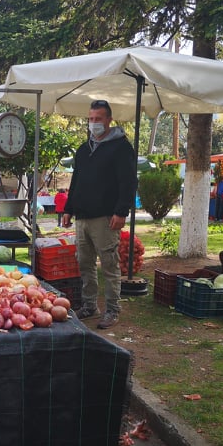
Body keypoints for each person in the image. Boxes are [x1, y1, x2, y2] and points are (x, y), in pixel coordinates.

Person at [62, 99, 137, 330]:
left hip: (106, 218)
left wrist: (121, 211)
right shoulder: (84, 149)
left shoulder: (122, 147)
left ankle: (112, 310)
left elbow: (128, 182)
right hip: (82, 217)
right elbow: (76, 181)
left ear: (109, 120)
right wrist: (68, 208)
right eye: (91, 119)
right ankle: (89, 305)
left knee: (109, 265)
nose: (93, 123)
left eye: (98, 119)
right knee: (84, 264)